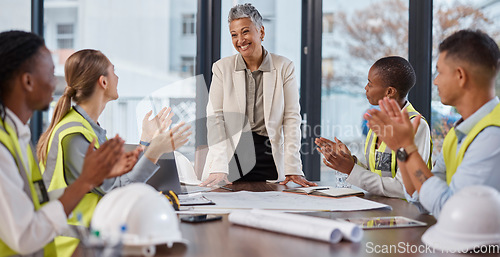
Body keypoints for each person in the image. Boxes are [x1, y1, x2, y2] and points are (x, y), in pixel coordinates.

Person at [36, 49, 191, 257]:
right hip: (72, 244)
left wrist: (146, 140)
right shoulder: (74, 136)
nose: (117, 77)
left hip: (92, 236)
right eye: (113, 71)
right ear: (103, 82)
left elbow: (117, 180)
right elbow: (118, 191)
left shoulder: (86, 127)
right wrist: (154, 151)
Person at [0, 30, 131, 256]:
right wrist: (85, 182)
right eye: (51, 74)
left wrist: (93, 178)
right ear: (28, 81)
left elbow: (34, 203)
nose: (56, 84)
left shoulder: (17, 135)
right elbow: (25, 236)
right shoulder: (3, 147)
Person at [365, 29, 500, 217]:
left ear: (460, 76)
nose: (435, 81)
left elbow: (448, 208)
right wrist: (403, 150)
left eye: (440, 72)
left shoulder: (492, 136)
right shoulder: (458, 132)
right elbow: (419, 195)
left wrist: (406, 148)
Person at [200, 3, 316, 187]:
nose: (240, 40)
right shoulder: (222, 68)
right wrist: (219, 165)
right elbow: (215, 118)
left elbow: (291, 118)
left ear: (261, 32)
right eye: (234, 35)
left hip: (269, 158)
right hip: (231, 158)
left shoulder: (284, 67)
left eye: (245, 32)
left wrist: (293, 167)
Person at [315, 56, 432, 198]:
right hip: (379, 210)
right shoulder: (379, 121)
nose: (366, 88)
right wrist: (349, 161)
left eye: (370, 84)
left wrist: (351, 170)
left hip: (406, 214)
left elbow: (404, 188)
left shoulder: (416, 126)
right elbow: (374, 171)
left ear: (389, 91)